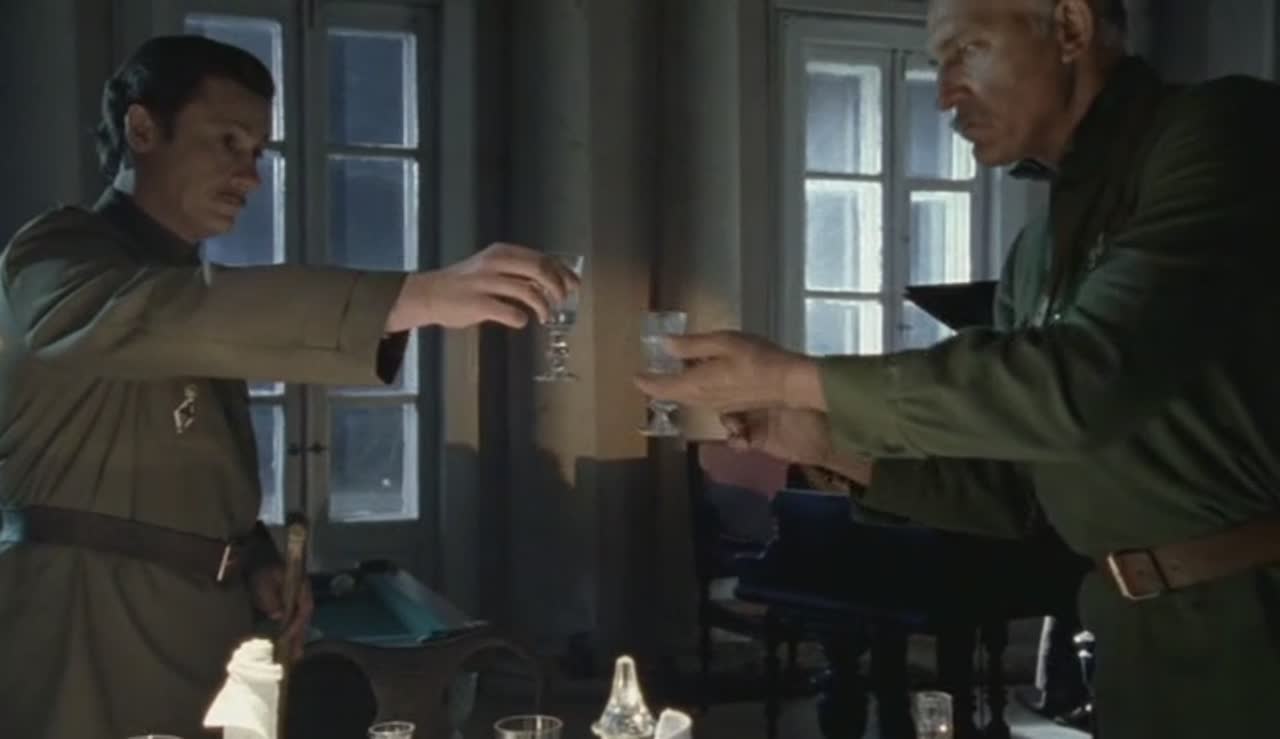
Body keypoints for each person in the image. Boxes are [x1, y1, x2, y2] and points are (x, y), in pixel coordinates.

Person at [636, 0, 1280, 736]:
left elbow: (1082, 381)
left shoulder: (1224, 131)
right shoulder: (1037, 251)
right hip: (1137, 639)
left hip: (1258, 625)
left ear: (1070, 27)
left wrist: (793, 376)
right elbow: (1016, 491)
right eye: (938, 63)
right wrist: (815, 435)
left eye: (967, 49)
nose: (945, 93)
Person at [0, 35, 578, 739]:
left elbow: (187, 457)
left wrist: (254, 558)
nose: (250, 175)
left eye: (258, 152)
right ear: (143, 129)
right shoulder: (58, 255)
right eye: (228, 141)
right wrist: (414, 296)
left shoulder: (188, 285)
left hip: (206, 632)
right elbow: (154, 317)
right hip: (88, 634)